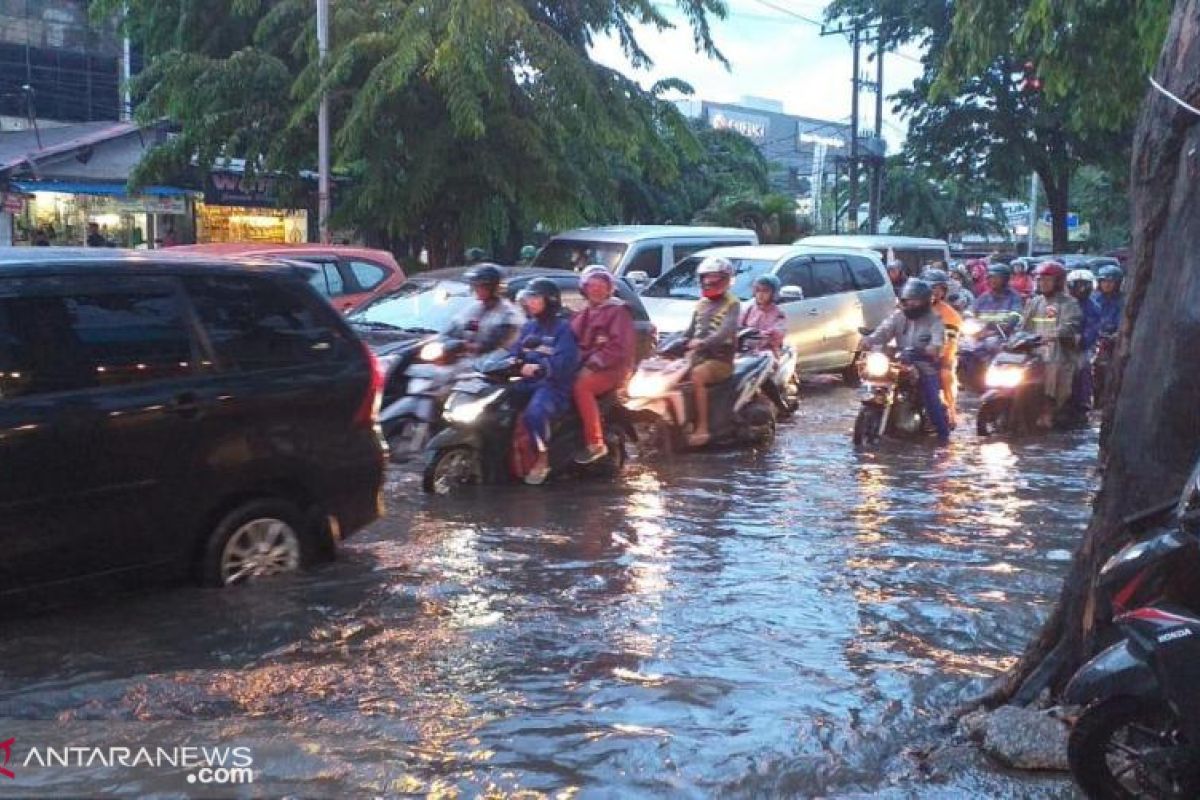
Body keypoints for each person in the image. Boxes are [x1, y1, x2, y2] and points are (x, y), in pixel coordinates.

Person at [863, 279, 951, 444]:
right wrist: (869, 340)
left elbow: (938, 342)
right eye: (907, 300)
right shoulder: (898, 317)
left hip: (925, 363)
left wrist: (931, 349)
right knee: (872, 379)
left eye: (914, 300)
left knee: (931, 400)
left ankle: (943, 437)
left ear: (924, 301)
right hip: (901, 360)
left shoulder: (934, 320)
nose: (910, 304)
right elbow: (883, 331)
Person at [510, 279, 579, 484]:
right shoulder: (529, 327)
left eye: (535, 298)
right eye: (528, 298)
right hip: (527, 382)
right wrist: (507, 363)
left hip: (553, 386)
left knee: (535, 413)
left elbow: (564, 363)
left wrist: (540, 368)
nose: (529, 303)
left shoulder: (563, 329)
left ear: (549, 301)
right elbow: (515, 352)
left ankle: (542, 457)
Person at [571, 265, 637, 464]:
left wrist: (592, 364)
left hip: (613, 368)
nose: (597, 290)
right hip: (587, 365)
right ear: (585, 289)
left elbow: (619, 348)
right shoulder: (583, 314)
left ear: (609, 289)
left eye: (601, 286)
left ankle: (595, 443)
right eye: (592, 286)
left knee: (582, 388)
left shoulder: (617, 311)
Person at [682, 256, 741, 446]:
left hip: (721, 360)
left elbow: (725, 331)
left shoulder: (733, 303)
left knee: (697, 375)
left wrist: (702, 343)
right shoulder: (701, 304)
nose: (710, 282)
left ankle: (703, 428)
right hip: (698, 357)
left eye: (716, 279)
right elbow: (689, 331)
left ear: (726, 280)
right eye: (707, 278)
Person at [1019, 261, 1083, 429]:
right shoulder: (1035, 302)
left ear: (1059, 282)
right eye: (1040, 280)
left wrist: (1054, 335)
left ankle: (1048, 409)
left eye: (1047, 280)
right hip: (1035, 350)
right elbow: (1023, 326)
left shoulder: (1069, 303)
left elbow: (1070, 324)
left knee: (1053, 365)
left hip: (1061, 351)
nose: (1042, 283)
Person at [446, 264, 523, 357]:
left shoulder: (508, 316)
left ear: (494, 287)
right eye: (474, 285)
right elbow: (452, 329)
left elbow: (494, 346)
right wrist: (449, 341)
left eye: (481, 285)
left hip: (489, 367)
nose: (475, 289)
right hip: (465, 363)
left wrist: (464, 346)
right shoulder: (473, 308)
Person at [924, 269, 963, 429]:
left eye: (938, 288)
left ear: (944, 291)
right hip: (911, 354)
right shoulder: (908, 307)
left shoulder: (950, 314)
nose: (934, 292)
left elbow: (949, 343)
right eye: (931, 287)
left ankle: (950, 413)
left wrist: (938, 353)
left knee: (945, 375)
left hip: (939, 358)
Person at [1067, 269, 1101, 415]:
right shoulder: (1062, 303)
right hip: (1057, 345)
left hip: (1081, 347)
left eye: (1084, 285)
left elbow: (1092, 329)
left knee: (1083, 365)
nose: (1081, 288)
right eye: (1077, 284)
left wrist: (1081, 341)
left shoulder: (1093, 307)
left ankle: (1083, 400)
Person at [971, 264, 1025, 335]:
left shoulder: (1014, 297)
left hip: (1004, 336)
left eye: (997, 277)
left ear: (1005, 279)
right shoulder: (984, 297)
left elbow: (1016, 314)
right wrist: (968, 317)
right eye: (990, 277)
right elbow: (973, 310)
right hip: (982, 334)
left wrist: (1010, 322)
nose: (993, 280)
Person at [740, 274, 787, 355]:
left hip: (766, 352)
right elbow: (736, 326)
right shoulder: (747, 307)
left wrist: (763, 336)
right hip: (744, 351)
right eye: (758, 290)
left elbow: (777, 336)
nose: (760, 294)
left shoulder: (779, 314)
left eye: (765, 291)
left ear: (773, 293)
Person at [1093, 264, 1125, 337]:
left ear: (1117, 283)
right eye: (1104, 281)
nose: (1106, 285)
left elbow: (1121, 324)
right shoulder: (1093, 298)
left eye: (1110, 281)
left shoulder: (1122, 301)